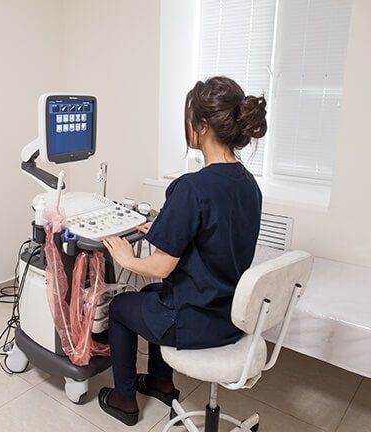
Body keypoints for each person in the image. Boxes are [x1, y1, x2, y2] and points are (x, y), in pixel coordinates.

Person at [98, 76, 268, 426]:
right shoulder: (248, 184)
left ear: (202, 126)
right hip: (231, 315)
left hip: (197, 320)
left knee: (119, 306)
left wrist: (127, 258)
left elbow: (161, 267)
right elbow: (216, 237)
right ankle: (160, 383)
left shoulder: (193, 187)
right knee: (152, 295)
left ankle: (124, 400)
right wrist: (164, 230)